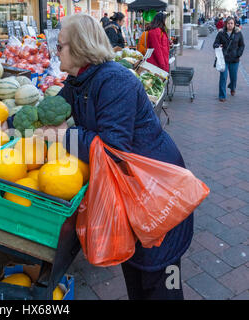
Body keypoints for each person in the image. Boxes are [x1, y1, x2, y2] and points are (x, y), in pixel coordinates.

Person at [53, 13, 190, 300]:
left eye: (60, 46)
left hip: (156, 193)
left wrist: (60, 136)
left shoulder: (114, 80)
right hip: (130, 194)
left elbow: (114, 148)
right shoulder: (78, 82)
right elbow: (48, 109)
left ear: (78, 48)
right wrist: (6, 125)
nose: (56, 52)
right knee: (137, 273)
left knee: (161, 278)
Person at [213, 16, 245, 101]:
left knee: (233, 78)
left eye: (232, 23)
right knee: (223, 77)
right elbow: (215, 44)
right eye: (228, 23)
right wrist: (218, 45)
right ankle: (222, 96)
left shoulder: (238, 33)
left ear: (234, 24)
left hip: (235, 59)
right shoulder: (221, 33)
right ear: (226, 24)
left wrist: (238, 54)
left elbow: (242, 45)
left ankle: (232, 87)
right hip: (223, 59)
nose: (230, 25)